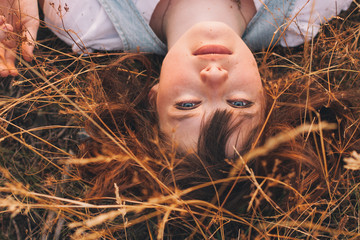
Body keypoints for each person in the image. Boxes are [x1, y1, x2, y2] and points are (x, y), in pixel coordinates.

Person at [0, 0, 354, 158]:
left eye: (187, 105)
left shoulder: (83, 19)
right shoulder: (307, 10)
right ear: (267, 93)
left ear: (154, 98)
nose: (214, 76)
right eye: (240, 103)